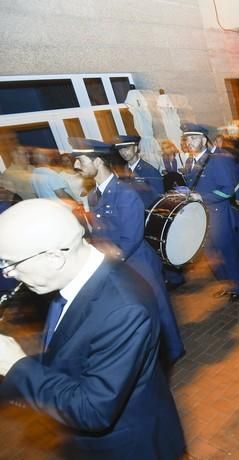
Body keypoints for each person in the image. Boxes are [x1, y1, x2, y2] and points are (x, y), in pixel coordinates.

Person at [0, 199, 185, 459]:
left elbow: (93, 410)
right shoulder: (73, 281)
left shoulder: (123, 309)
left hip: (126, 447)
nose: (9, 274)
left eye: (11, 263)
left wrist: (15, 365)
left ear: (54, 257)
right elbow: (71, 355)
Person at [70, 138, 184, 366]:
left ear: (98, 161)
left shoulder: (125, 193)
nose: (75, 166)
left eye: (80, 160)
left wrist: (108, 257)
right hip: (117, 265)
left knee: (158, 307)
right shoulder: (94, 196)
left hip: (138, 263)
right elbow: (100, 234)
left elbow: (131, 238)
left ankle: (172, 351)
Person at [181, 123, 239, 299]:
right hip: (200, 215)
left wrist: (203, 197)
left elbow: (228, 189)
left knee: (227, 252)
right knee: (211, 253)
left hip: (219, 213)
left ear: (204, 139)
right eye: (187, 138)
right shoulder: (189, 161)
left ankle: (237, 287)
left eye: (194, 138)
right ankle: (226, 284)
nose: (189, 142)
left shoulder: (218, 159)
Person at [113, 135, 164, 207]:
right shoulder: (123, 172)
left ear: (135, 148)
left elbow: (159, 200)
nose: (123, 152)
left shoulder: (149, 170)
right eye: (120, 149)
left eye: (127, 148)